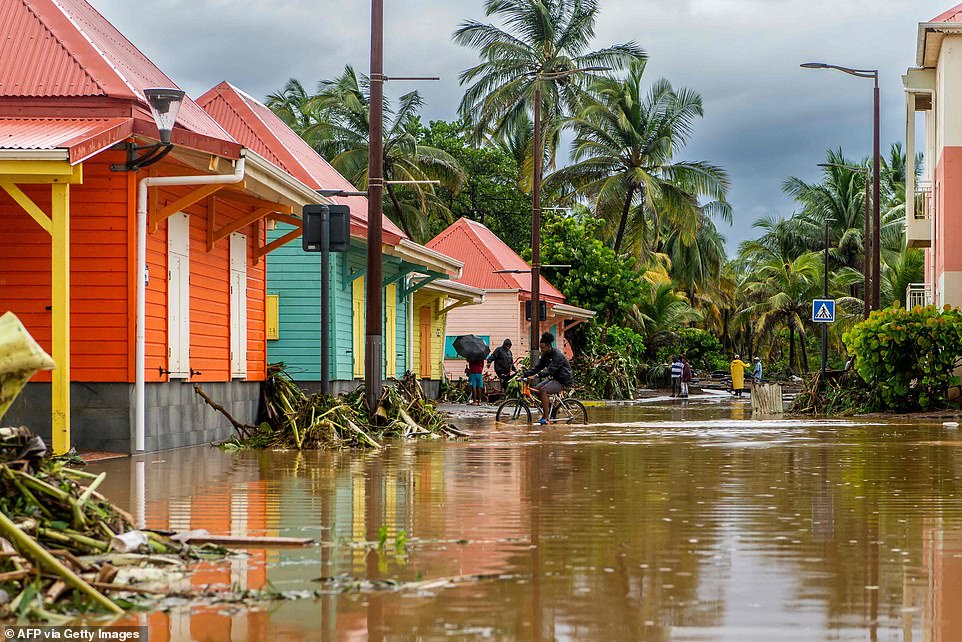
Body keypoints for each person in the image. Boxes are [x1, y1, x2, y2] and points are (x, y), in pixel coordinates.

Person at [522, 332, 573, 424]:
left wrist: (536, 376)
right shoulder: (545, 356)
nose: (541, 350)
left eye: (543, 348)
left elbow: (550, 370)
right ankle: (551, 409)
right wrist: (525, 375)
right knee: (536, 389)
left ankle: (546, 418)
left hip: (562, 380)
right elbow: (538, 367)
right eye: (540, 348)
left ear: (549, 346)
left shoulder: (558, 356)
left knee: (543, 390)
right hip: (553, 378)